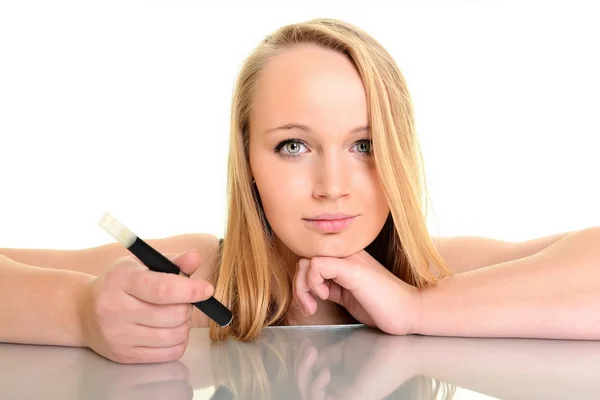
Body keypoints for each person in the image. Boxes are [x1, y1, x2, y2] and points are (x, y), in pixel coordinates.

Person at [1, 18, 600, 365]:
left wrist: (418, 309)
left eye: (364, 145)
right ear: (247, 161)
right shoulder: (202, 274)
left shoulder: (433, 274)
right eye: (294, 146)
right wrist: (79, 312)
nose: (333, 188)